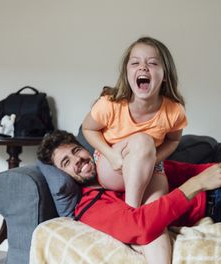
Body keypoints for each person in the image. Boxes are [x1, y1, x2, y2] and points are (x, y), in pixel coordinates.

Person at [37, 130, 221, 256]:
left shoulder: (120, 163)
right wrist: (198, 186)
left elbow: (176, 171)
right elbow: (137, 225)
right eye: (67, 163)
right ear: (64, 175)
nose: (78, 160)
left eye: (77, 151)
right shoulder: (91, 203)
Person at [81, 36, 187, 263]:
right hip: (112, 164)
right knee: (142, 140)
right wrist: (110, 155)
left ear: (165, 75)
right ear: (127, 73)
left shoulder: (173, 110)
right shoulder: (110, 103)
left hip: (151, 166)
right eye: (135, 62)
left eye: (152, 63)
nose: (143, 67)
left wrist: (153, 158)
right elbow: (88, 129)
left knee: (155, 220)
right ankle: (130, 217)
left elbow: (174, 141)